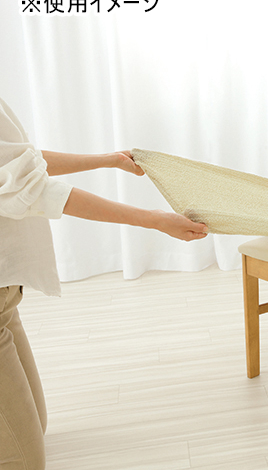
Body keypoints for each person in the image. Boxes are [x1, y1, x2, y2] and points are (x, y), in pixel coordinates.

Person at [0, 97, 208, 470]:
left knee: (35, 427)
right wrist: (154, 220)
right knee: (26, 460)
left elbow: (19, 163)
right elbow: (35, 189)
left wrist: (107, 160)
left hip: (6, 292)